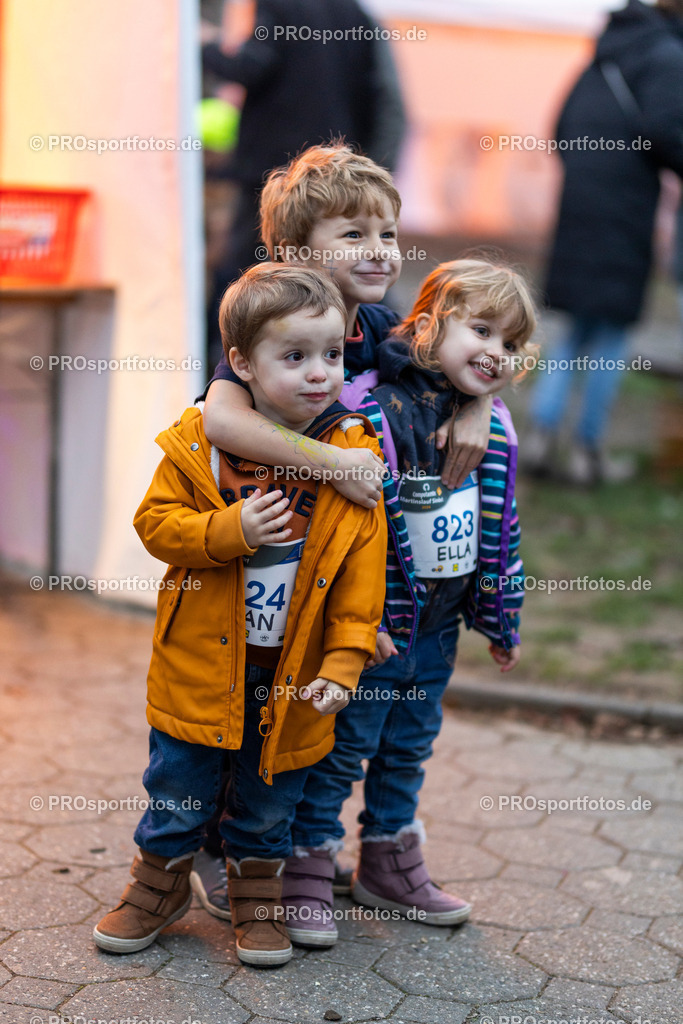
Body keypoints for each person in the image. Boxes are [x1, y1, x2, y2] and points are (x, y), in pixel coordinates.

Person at [92, 263, 387, 967]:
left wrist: (344, 664)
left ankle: (258, 898)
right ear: (242, 364)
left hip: (292, 674)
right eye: (294, 357)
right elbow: (155, 525)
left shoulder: (351, 456)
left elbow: (360, 579)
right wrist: (233, 531)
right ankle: (156, 886)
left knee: (270, 795)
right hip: (200, 663)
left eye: (332, 355)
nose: (320, 373)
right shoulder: (201, 444)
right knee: (177, 785)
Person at [282, 257, 537, 946]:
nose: (495, 352)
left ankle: (388, 859)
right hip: (375, 626)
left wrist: (500, 615)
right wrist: (354, 620)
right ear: (426, 327)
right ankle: (305, 867)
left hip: (439, 626)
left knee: (408, 746)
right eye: (481, 329)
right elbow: (345, 529)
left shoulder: (493, 423)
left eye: (510, 344)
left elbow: (498, 524)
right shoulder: (369, 406)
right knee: (342, 747)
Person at [526, 0, 683, 484]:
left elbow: (560, 130)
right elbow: (668, 129)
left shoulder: (599, 57)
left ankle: (538, 436)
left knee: (572, 331)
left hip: (579, 210)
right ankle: (586, 452)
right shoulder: (667, 57)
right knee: (612, 335)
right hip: (627, 214)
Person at [201, 0, 406, 363]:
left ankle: (235, 357)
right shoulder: (356, 14)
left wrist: (206, 45)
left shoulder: (281, 6)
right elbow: (385, 99)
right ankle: (250, 368)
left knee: (249, 282)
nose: (380, 249)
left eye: (388, 235)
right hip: (336, 174)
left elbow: (252, 64)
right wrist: (369, 170)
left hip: (278, 177)